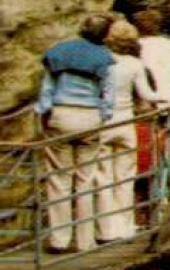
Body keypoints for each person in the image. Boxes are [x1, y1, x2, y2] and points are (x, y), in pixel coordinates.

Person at [37, 13, 116, 252]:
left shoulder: (59, 52)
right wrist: (103, 117)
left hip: (61, 115)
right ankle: (85, 241)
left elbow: (47, 89)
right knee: (85, 180)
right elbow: (108, 94)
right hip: (89, 117)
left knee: (59, 179)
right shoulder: (105, 58)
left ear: (83, 28)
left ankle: (59, 240)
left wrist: (44, 113)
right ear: (104, 35)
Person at [99, 20, 164, 242]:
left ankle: (106, 230)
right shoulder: (135, 64)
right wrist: (169, 96)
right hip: (126, 124)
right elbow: (146, 94)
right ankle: (126, 227)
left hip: (103, 123)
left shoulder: (100, 62)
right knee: (125, 178)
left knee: (103, 177)